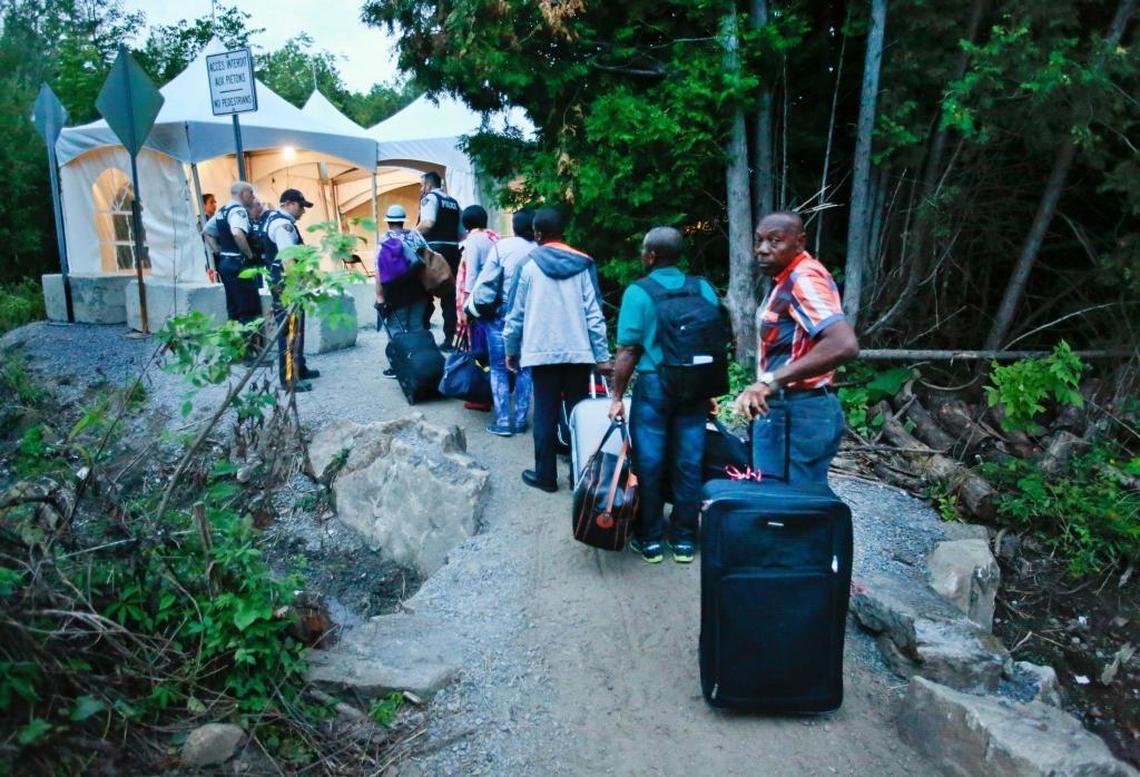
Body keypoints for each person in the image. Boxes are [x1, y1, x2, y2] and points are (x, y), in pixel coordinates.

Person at [608, 226, 724, 564]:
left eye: (644, 251)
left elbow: (628, 351)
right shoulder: (702, 287)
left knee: (650, 462)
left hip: (655, 387)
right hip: (695, 387)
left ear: (651, 256)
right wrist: (710, 390)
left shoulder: (638, 293)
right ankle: (685, 540)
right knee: (689, 462)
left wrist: (617, 396)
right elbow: (713, 342)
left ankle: (650, 539)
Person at [734, 211, 859, 485]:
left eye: (775, 241)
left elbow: (843, 343)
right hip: (785, 410)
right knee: (779, 505)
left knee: (791, 508)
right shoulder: (786, 279)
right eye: (759, 241)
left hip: (799, 411)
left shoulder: (803, 279)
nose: (763, 250)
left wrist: (770, 380)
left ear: (800, 242)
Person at [503, 208, 611, 492]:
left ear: (537, 234)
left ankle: (546, 477)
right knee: (579, 415)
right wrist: (602, 357)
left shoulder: (527, 265)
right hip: (579, 353)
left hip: (541, 353)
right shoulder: (584, 263)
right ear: (564, 231)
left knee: (545, 414)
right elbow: (594, 313)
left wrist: (511, 349)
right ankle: (580, 477)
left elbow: (515, 314)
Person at [470, 209, 536, 437]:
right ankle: (520, 420)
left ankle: (503, 421)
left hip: (501, 314)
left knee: (498, 367)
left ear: (515, 226)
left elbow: (485, 281)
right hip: (530, 314)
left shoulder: (501, 247)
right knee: (525, 369)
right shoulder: (540, 250)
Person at [262, 189, 320, 392]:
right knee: (289, 331)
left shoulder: (276, 221)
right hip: (288, 286)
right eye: (300, 206)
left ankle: (299, 367)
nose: (303, 211)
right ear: (288, 203)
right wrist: (297, 288)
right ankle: (289, 378)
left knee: (297, 328)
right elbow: (288, 259)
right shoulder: (282, 225)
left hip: (283, 283)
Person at [375, 204, 431, 379]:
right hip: (419, 291)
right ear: (403, 220)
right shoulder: (416, 236)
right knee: (417, 327)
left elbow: (378, 272)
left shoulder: (384, 241)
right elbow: (429, 259)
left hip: (396, 294)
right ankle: (421, 364)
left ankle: (398, 366)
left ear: (389, 222)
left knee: (396, 329)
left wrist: (380, 298)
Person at [416, 171, 462, 350]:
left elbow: (428, 223)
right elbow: (461, 232)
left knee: (423, 293)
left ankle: (422, 338)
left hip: (434, 253)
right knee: (450, 297)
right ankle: (451, 339)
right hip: (453, 251)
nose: (421, 189)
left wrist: (412, 234)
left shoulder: (429, 198)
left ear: (428, 185)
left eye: (422, 185)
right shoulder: (453, 202)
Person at [214, 182, 262, 334]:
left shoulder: (223, 210)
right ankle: (250, 349)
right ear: (243, 194)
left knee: (234, 307)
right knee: (248, 308)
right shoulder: (238, 211)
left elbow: (207, 232)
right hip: (239, 264)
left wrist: (220, 252)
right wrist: (249, 255)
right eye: (251, 193)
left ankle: (236, 346)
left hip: (226, 263)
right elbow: (236, 232)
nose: (253, 196)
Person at [200, 193, 219, 282]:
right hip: (210, 255)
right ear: (203, 205)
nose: (214, 205)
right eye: (211, 202)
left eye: (215, 202)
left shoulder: (216, 219)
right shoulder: (202, 221)